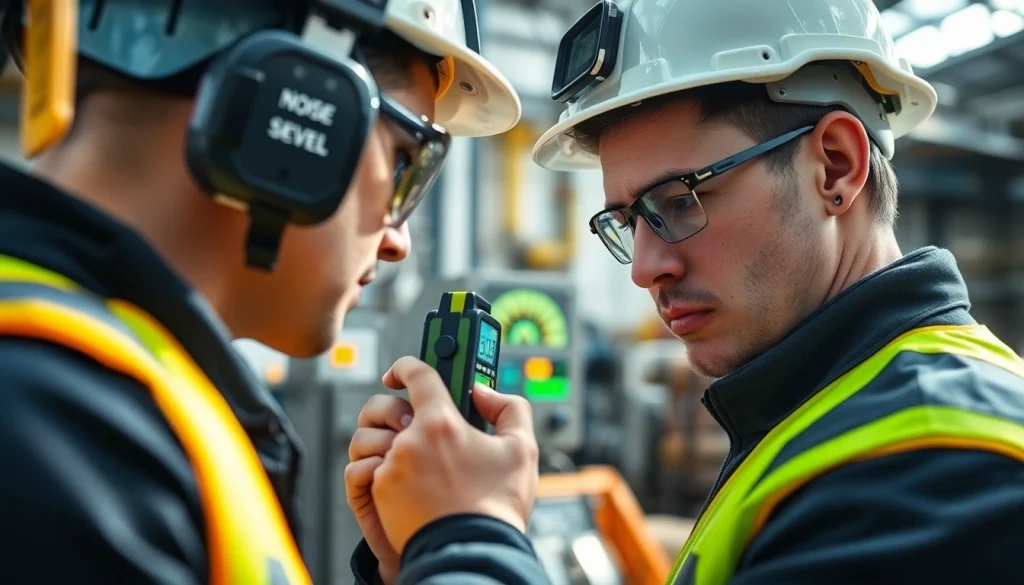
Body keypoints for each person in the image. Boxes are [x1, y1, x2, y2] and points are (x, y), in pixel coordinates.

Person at [0, 1, 546, 584]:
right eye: (404, 163)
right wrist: (472, 538)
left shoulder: (98, 407)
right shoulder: (59, 435)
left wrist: (420, 563)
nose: (398, 242)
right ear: (293, 102)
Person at [533, 0, 1024, 583]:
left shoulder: (935, 466)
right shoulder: (827, 413)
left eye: (678, 201)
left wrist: (474, 536)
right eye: (627, 221)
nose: (644, 269)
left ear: (835, 166)